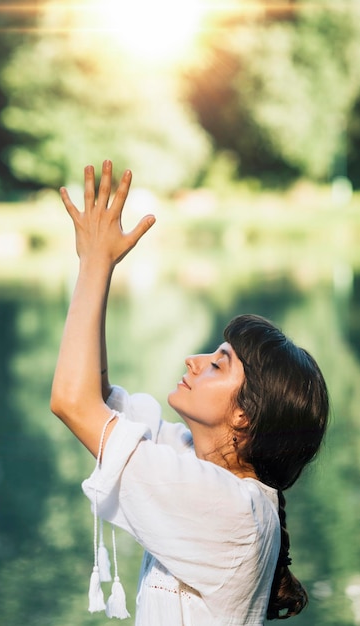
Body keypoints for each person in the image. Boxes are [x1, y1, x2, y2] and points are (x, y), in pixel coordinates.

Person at [50, 160, 329, 625]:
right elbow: (93, 396)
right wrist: (97, 264)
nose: (193, 361)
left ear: (245, 416)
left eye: (219, 363)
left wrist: (94, 263)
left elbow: (72, 403)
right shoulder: (196, 462)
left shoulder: (230, 509)